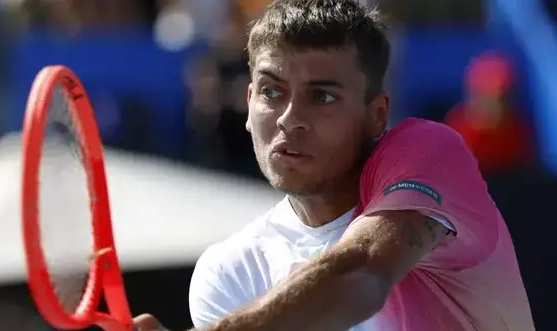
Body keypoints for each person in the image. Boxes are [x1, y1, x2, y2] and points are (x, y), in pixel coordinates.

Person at [134, 0, 535, 330]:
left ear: (377, 115)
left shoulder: (431, 152)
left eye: (322, 97)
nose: (290, 118)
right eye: (272, 92)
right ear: (249, 99)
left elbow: (360, 274)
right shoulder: (228, 273)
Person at [444, 51, 533, 176]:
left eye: (504, 98)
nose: (497, 107)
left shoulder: (518, 133)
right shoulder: (458, 134)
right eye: (488, 97)